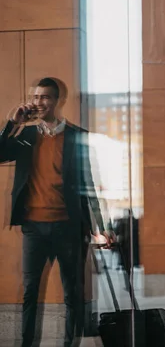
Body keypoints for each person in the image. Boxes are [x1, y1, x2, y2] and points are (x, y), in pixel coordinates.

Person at [0, 77, 109, 347]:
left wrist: (100, 227)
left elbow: (88, 185)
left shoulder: (76, 137)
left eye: (46, 97)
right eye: (36, 97)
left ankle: (69, 344)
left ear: (58, 100)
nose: (39, 103)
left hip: (68, 227)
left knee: (72, 293)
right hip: (34, 228)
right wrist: (12, 124)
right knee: (29, 293)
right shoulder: (25, 136)